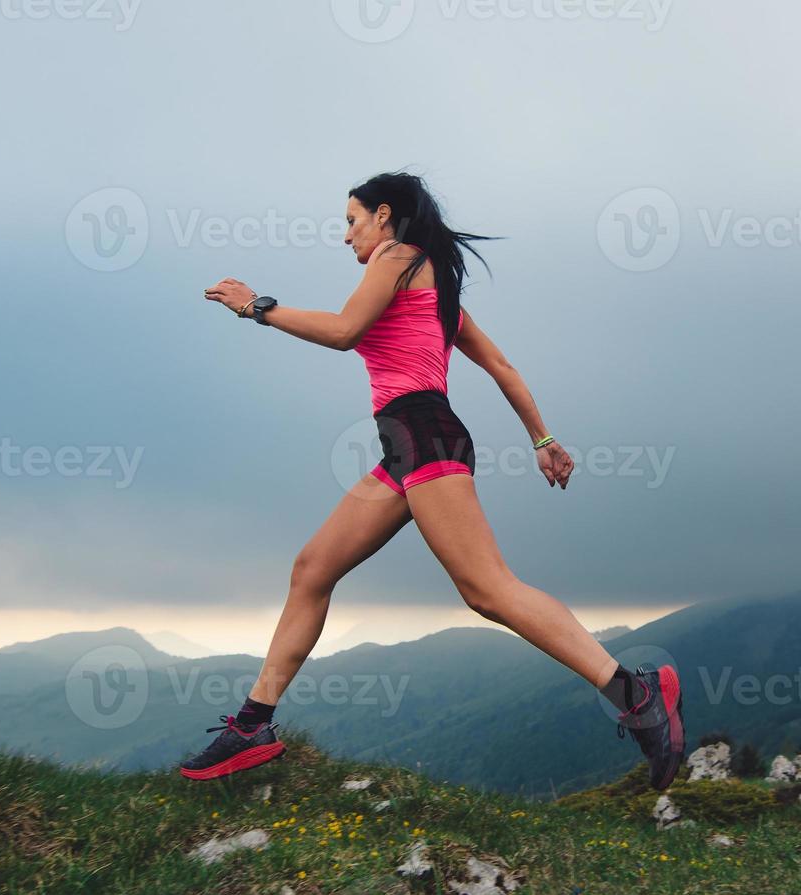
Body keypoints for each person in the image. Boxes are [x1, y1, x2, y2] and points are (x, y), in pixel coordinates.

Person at [182, 171, 685, 790]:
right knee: (313, 568)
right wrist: (543, 438)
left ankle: (635, 694)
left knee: (489, 590)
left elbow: (345, 333)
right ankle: (254, 725)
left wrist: (258, 306)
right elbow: (501, 365)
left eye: (351, 221)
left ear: (384, 216)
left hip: (423, 437)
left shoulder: (397, 257)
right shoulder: (435, 283)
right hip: (407, 447)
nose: (346, 238)